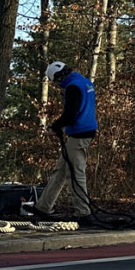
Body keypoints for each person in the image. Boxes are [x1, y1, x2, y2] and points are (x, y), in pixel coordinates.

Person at [27, 61, 97, 225]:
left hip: (79, 134)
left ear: (58, 78)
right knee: (61, 171)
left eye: (56, 83)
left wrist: (56, 125)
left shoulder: (72, 87)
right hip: (83, 131)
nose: (57, 86)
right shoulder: (85, 82)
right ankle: (43, 207)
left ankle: (83, 213)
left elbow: (70, 115)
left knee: (75, 173)